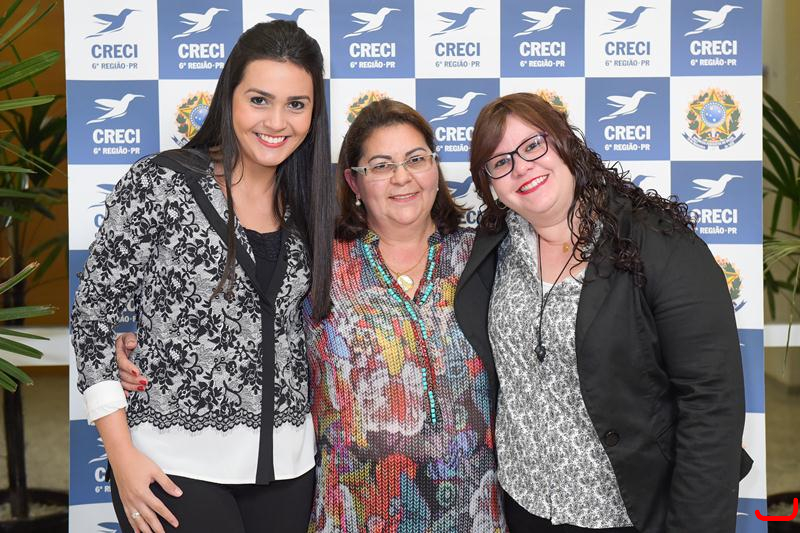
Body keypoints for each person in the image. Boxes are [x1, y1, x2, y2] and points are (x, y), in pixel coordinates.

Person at [118, 98, 508, 531]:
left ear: (435, 167)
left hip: (474, 510)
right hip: (352, 514)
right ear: (354, 182)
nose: (402, 177)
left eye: (416, 159)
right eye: (381, 166)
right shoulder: (315, 258)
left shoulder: (484, 254)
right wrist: (148, 346)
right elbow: (240, 322)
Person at [71, 21, 335, 533]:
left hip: (289, 466)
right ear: (228, 97)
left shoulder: (309, 203)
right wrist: (121, 457)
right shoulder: (163, 182)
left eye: (296, 104)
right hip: (172, 465)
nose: (277, 121)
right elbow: (93, 314)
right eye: (259, 100)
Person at [454, 92, 749, 533]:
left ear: (564, 142)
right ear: (490, 184)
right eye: (500, 162)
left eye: (533, 145)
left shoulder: (660, 244)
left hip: (628, 513)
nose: (522, 167)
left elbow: (711, 401)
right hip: (524, 503)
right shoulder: (495, 245)